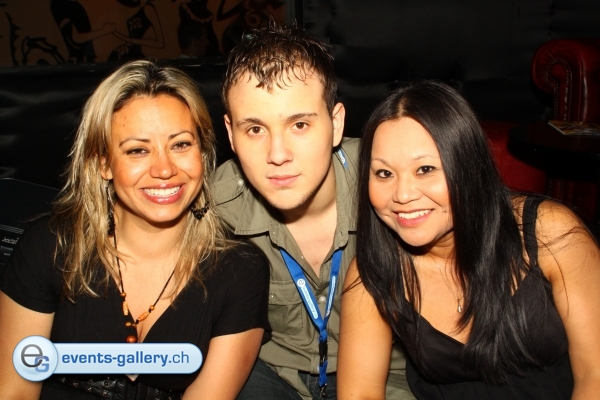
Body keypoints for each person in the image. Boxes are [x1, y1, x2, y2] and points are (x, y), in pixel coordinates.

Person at [0, 60, 270, 400]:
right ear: (103, 162)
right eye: (138, 150)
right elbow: (16, 390)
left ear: (202, 152)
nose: (164, 169)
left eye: (181, 144)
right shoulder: (50, 248)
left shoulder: (240, 270)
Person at [337, 81, 600, 399]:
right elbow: (361, 393)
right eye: (384, 173)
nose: (402, 195)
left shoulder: (549, 232)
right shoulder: (374, 270)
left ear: (469, 166)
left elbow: (594, 374)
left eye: (425, 169)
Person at [211, 24, 414, 399]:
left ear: (335, 124)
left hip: (386, 373)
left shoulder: (391, 185)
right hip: (269, 373)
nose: (277, 155)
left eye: (300, 124)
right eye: (255, 129)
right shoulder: (214, 204)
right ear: (231, 133)